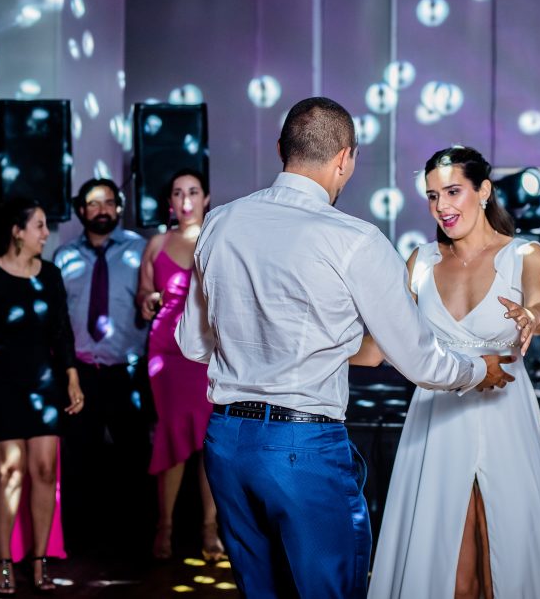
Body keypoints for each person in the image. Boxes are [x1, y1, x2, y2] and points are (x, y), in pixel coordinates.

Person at [175, 97, 514, 598]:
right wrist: (478, 371)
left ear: (281, 150)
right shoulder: (354, 239)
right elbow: (419, 360)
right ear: (344, 159)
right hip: (302, 447)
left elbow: (191, 343)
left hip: (226, 443)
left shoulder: (220, 222)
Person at [363, 146, 540, 599]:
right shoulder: (420, 261)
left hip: (505, 412)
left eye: (453, 191)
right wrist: (311, 347)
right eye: (432, 196)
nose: (442, 206)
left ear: (484, 190)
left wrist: (531, 317)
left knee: (507, 552)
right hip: (438, 414)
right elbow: (378, 347)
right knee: (446, 560)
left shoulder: (524, 253)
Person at [0, 198, 84, 595]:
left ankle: (40, 560)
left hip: (43, 384)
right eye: (40, 226)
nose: (46, 233)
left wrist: (72, 378)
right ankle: (3, 561)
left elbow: (62, 330)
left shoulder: (50, 274)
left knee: (45, 471)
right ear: (17, 231)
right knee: (9, 473)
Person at [53, 178, 151, 555]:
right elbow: (57, 318)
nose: (102, 210)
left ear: (119, 208)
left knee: (133, 455)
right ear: (81, 210)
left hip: (127, 371)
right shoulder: (63, 256)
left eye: (109, 202)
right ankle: (80, 539)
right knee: (80, 456)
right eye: (94, 204)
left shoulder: (139, 250)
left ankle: (133, 540)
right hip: (79, 374)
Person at [136, 168, 222, 561]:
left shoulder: (218, 238)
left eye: (193, 191)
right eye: (177, 193)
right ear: (170, 201)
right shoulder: (157, 243)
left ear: (206, 198)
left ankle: (209, 529)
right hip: (167, 353)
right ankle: (164, 527)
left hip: (206, 351)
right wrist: (148, 300)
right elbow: (143, 294)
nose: (185, 200)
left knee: (209, 442)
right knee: (171, 435)